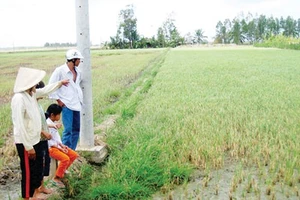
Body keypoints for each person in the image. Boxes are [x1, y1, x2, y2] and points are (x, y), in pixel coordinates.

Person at [11, 67, 68, 200]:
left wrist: (59, 83)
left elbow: (45, 90)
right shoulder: (19, 98)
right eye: (34, 83)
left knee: (36, 170)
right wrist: (29, 147)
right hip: (26, 143)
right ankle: (27, 197)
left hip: (35, 140)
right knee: (28, 172)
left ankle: (33, 194)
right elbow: (19, 125)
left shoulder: (31, 95)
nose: (36, 86)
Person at [35, 80, 68, 194]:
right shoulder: (30, 105)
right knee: (38, 166)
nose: (43, 96)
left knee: (44, 165)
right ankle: (36, 191)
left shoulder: (37, 106)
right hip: (39, 141)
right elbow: (35, 124)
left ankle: (42, 186)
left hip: (44, 141)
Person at [48, 49, 84, 150]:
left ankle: (71, 151)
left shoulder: (78, 72)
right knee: (68, 130)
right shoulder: (60, 71)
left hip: (76, 103)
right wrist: (59, 100)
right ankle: (64, 151)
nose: (79, 62)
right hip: (66, 104)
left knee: (76, 129)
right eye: (78, 60)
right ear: (73, 60)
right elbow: (51, 86)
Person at [46, 104, 79, 187]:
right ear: (53, 115)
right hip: (51, 148)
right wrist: (60, 148)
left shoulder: (53, 123)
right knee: (65, 159)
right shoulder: (48, 125)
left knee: (73, 155)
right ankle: (56, 178)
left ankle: (62, 170)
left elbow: (56, 138)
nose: (60, 117)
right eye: (59, 115)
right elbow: (50, 142)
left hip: (57, 145)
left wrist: (62, 146)